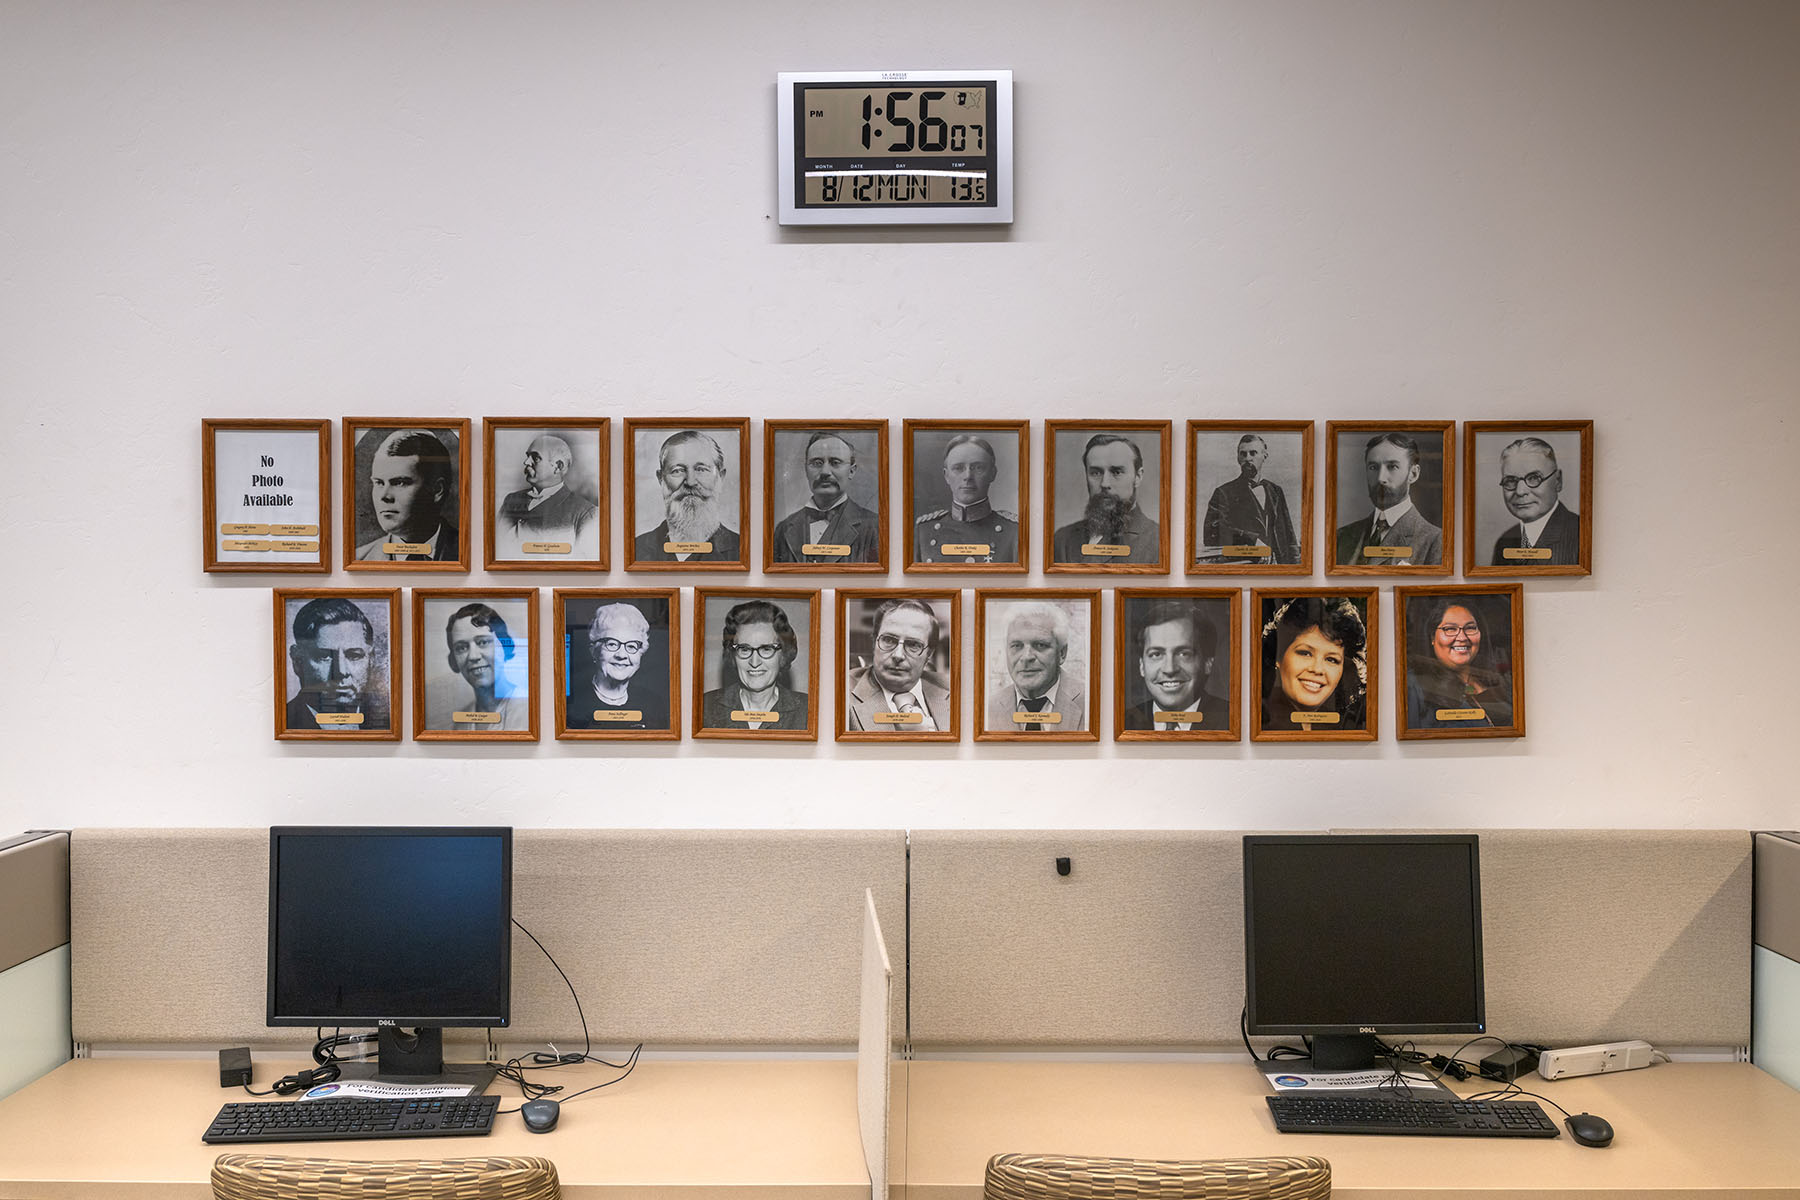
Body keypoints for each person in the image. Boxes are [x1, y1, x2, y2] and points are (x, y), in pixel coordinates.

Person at [1332, 432, 1442, 566]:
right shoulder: (1342, 536)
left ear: (1413, 474)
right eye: (1373, 467)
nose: (1380, 478)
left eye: (1392, 467)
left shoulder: (1434, 540)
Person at [633, 430, 742, 563]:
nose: (690, 482)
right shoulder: (636, 549)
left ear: (721, 477)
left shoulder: (742, 549)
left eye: (701, 469)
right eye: (677, 471)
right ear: (661, 479)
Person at [844, 599, 952, 732]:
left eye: (913, 645)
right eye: (888, 640)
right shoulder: (841, 694)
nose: (898, 655)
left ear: (929, 654)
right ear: (874, 642)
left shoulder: (955, 691)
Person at [771, 431, 880, 563]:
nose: (825, 472)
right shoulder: (784, 528)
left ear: (851, 471)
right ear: (806, 470)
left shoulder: (874, 527)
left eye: (835, 462)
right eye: (817, 463)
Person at [1051, 434, 1160, 564]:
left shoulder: (1158, 540)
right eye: (1096, 473)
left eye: (1117, 472)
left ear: (1138, 477)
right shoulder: (1062, 540)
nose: (1104, 483)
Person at [700, 599, 809, 730]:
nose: (754, 662)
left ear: (783, 654)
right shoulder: (704, 707)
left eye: (766, 649)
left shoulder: (808, 710)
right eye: (745, 649)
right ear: (733, 654)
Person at [1406, 598, 1514, 729]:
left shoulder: (1502, 682)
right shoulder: (1414, 686)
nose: (1462, 637)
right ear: (1432, 637)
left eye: (1470, 628)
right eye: (1450, 629)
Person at [1262, 597, 1367, 731]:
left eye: (1331, 660)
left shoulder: (1341, 727)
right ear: (1278, 656)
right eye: (1305, 653)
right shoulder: (1263, 723)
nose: (1317, 669)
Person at [1123, 600, 1229, 731]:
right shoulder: (1122, 724)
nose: (1170, 669)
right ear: (1142, 666)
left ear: (1207, 663)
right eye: (1156, 654)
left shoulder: (1232, 720)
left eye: (1183, 654)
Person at [914, 434, 1020, 564]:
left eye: (978, 468)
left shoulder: (1014, 531)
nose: (968, 476)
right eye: (958, 468)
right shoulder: (923, 530)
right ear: (946, 476)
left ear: (993, 473)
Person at [354, 429, 459, 561]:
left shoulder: (472, 551)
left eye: (400, 483)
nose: (384, 496)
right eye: (379, 483)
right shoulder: (360, 558)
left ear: (437, 490)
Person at [286, 597, 388, 731]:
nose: (341, 671)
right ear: (297, 661)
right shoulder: (286, 721)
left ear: (371, 659)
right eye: (324, 656)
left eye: (354, 656)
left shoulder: (389, 722)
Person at [565, 602, 668, 731]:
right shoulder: (572, 705)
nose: (621, 655)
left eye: (631, 646)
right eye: (612, 644)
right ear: (594, 650)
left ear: (641, 653)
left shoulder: (653, 703)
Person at [984, 602, 1086, 732]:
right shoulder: (989, 708)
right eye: (1016, 645)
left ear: (1061, 653)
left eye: (1040, 645)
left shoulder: (1090, 702)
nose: (1026, 657)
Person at [496, 433, 599, 558]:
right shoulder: (511, 500)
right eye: (528, 456)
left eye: (535, 458)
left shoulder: (586, 513)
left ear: (557, 467)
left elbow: (585, 561)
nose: (526, 462)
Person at [1201, 434, 1299, 565]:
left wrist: (1295, 568)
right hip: (1243, 566)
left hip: (1277, 567)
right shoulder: (1223, 493)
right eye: (1243, 454)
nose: (1247, 458)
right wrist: (1252, 541)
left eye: (1253, 453)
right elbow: (1212, 533)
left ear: (1264, 456)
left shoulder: (1275, 491)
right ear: (1238, 458)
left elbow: (1289, 536)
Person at [1490, 437, 1581, 565]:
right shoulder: (1504, 541)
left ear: (1558, 481)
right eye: (1510, 480)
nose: (1520, 491)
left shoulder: (1581, 535)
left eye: (1534, 478)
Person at [442, 603, 529, 731]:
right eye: (461, 648)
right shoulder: (460, 723)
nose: (473, 656)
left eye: (483, 642)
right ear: (453, 661)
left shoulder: (527, 708)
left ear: (504, 648)